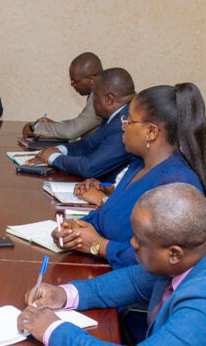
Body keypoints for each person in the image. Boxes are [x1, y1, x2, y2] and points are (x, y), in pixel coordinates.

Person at [17, 183, 206, 346]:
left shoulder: (201, 304)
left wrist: (53, 329)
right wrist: (64, 294)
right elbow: (132, 282)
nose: (132, 243)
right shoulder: (184, 260)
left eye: (140, 240)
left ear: (174, 254)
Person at [52, 83, 206, 269]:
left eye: (129, 121)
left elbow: (160, 262)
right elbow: (106, 216)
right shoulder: (138, 165)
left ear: (151, 131)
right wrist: (73, 229)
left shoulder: (176, 183)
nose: (123, 127)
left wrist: (99, 246)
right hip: (100, 270)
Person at [27, 68, 135, 183]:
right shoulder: (116, 115)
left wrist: (53, 158)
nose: (92, 99)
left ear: (109, 99)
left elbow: (89, 167)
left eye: (95, 96)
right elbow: (88, 144)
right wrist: (58, 150)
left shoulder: (125, 122)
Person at [22, 52, 102, 140]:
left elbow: (71, 131)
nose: (72, 84)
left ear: (91, 80)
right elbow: (78, 125)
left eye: (75, 81)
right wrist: (53, 125)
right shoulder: (98, 92)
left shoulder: (101, 98)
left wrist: (35, 127)